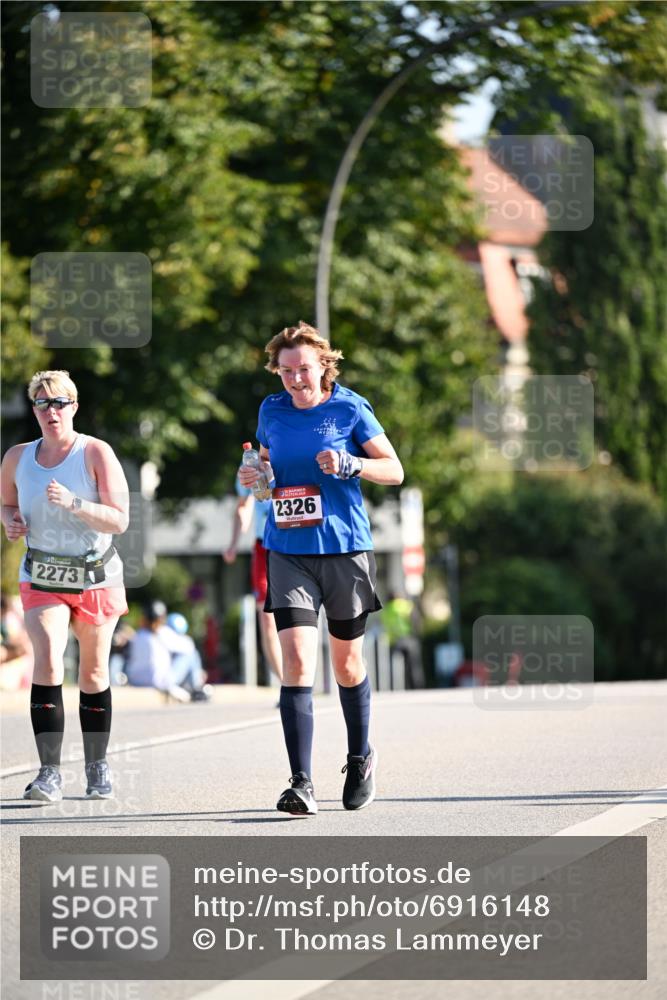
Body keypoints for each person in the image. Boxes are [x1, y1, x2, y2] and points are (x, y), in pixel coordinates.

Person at [238, 321, 404, 816]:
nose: (295, 379)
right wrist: (256, 477)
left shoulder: (349, 407)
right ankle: (301, 782)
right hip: (287, 550)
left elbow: (394, 470)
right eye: (285, 370)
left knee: (347, 665)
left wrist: (352, 464)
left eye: (303, 369)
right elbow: (267, 472)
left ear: (323, 365)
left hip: (345, 549)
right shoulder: (271, 410)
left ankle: (360, 758)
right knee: (296, 663)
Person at [0, 370, 129, 802]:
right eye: (42, 403)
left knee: (93, 671)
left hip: (95, 572)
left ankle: (97, 766)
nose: (51, 411)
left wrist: (75, 503)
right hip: (42, 573)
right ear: (34, 408)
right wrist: (10, 522)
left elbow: (119, 518)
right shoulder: (18, 457)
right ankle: (49, 772)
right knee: (49, 661)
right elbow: (6, 503)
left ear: (74, 406)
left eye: (59, 402)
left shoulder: (95, 452)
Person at [224, 484, 283, 684]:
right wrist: (233, 543)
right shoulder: (247, 464)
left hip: (295, 543)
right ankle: (288, 684)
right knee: (267, 620)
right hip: (263, 547)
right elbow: (243, 506)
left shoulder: (293, 452)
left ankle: (300, 676)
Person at [124, 601, 210, 702]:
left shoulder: (138, 635)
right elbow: (189, 647)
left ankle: (191, 687)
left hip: (135, 680)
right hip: (159, 681)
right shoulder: (163, 633)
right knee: (191, 655)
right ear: (162, 618)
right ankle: (197, 688)